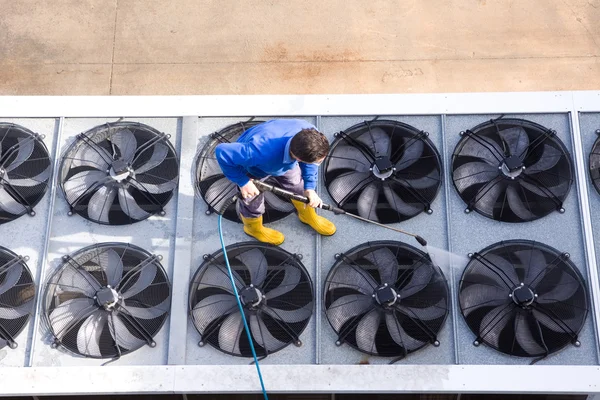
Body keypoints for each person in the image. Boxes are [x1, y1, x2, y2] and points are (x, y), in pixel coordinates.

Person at [215, 119, 336, 245]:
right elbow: (222, 151)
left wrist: (310, 188)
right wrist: (243, 182)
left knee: (298, 187)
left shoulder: (311, 133)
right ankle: (253, 229)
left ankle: (307, 216)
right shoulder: (258, 151)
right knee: (252, 201)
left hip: (283, 163)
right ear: (299, 159)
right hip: (254, 168)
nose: (319, 163)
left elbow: (312, 163)